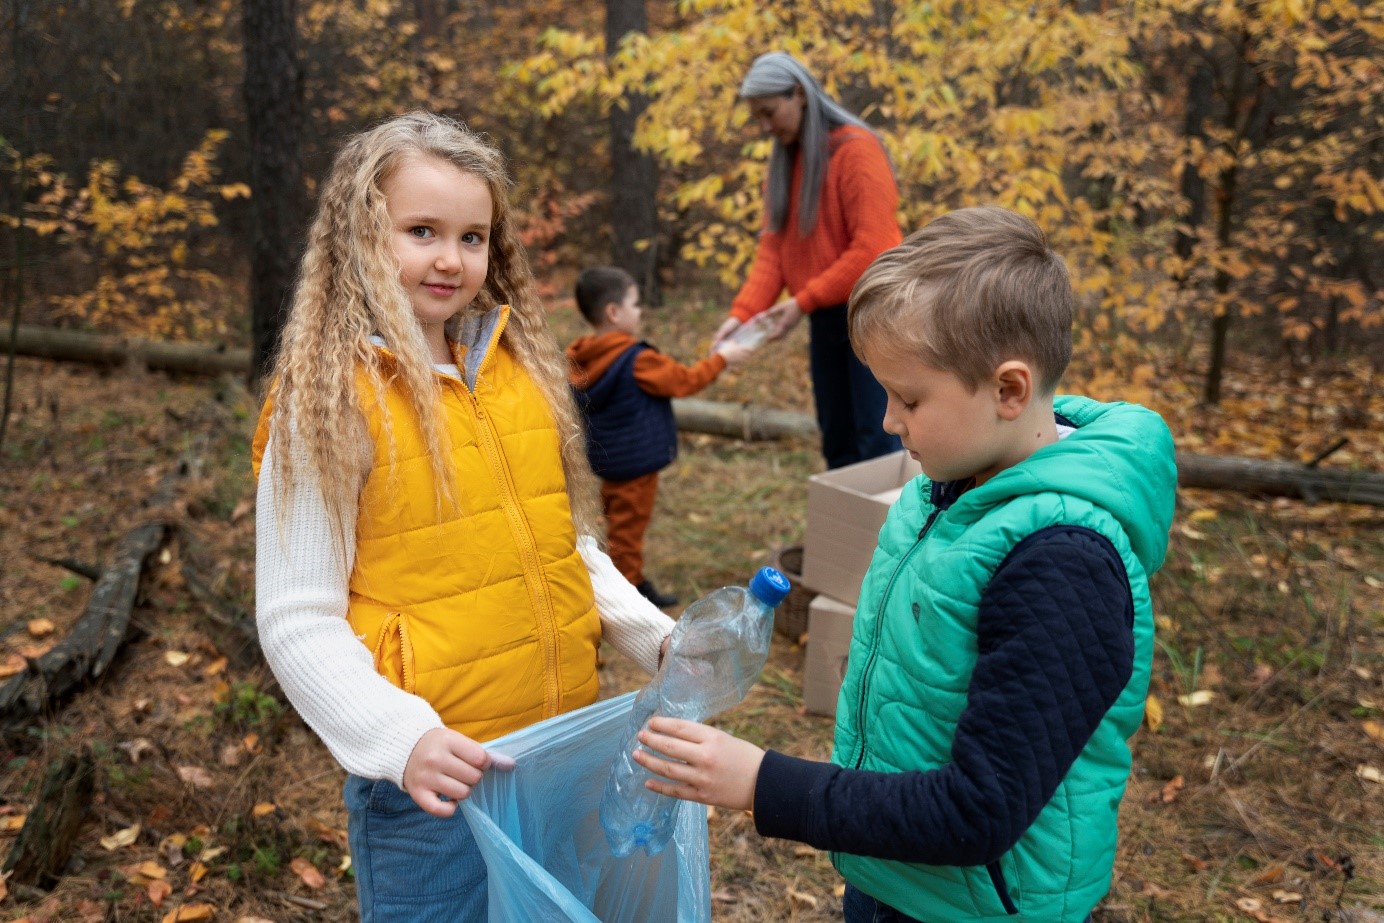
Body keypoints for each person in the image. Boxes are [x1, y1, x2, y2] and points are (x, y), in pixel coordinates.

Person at [633, 206, 1178, 922]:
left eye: (910, 397)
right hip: (896, 868)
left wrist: (763, 781)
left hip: (979, 903)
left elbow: (979, 809)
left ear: (1010, 390)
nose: (889, 419)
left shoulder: (1064, 565)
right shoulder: (952, 484)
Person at [251, 112, 676, 922]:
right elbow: (295, 616)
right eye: (421, 230)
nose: (451, 258)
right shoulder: (329, 398)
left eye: (473, 236)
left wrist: (655, 635)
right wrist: (400, 736)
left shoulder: (516, 370)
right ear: (359, 237)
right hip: (436, 788)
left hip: (556, 759)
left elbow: (562, 542)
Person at [711, 51, 903, 469]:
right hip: (826, 318)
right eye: (757, 117)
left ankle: (889, 533)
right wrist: (742, 315)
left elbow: (873, 251)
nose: (765, 126)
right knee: (837, 439)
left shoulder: (857, 151)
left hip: (874, 314)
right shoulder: (786, 162)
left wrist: (802, 300)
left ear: (798, 93)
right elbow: (774, 253)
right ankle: (844, 530)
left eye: (768, 112)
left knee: (878, 440)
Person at [567, 266, 755, 608]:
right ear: (613, 312)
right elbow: (685, 380)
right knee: (628, 529)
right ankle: (627, 593)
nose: (640, 312)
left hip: (610, 459)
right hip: (636, 462)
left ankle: (631, 578)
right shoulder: (637, 360)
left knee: (620, 522)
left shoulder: (581, 357)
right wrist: (721, 359)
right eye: (635, 304)